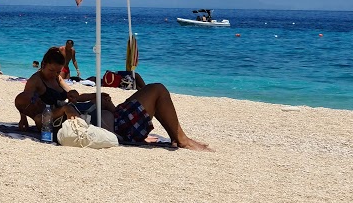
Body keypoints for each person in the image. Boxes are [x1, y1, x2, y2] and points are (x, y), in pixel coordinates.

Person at [17, 46, 211, 150]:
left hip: (111, 119)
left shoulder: (56, 79)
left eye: (58, 71)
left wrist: (88, 96)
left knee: (155, 90)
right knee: (157, 90)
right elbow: (28, 105)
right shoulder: (35, 87)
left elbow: (71, 97)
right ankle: (181, 139)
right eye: (51, 70)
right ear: (42, 64)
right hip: (116, 126)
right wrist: (24, 117)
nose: (55, 74)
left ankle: (177, 138)